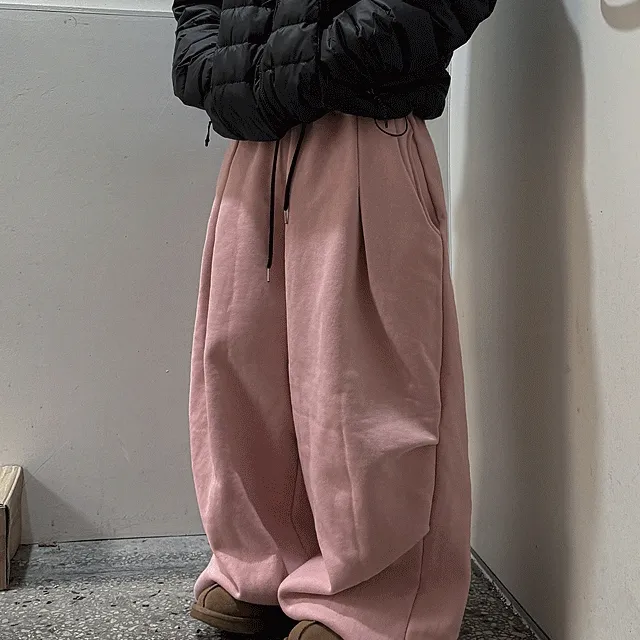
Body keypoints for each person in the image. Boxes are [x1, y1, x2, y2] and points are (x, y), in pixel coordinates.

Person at [171, 0, 496, 638]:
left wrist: (279, 73)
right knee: (239, 367)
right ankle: (261, 562)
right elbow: (197, 17)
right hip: (256, 143)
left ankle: (381, 598)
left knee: (362, 386)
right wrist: (242, 79)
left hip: (365, 129)